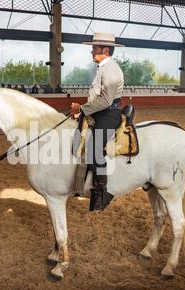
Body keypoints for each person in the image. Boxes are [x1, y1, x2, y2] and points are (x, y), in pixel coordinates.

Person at [70, 32, 124, 211]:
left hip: (109, 114)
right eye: (92, 48)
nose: (91, 51)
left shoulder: (111, 70)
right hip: (100, 112)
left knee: (93, 151)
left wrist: (83, 109)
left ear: (105, 50)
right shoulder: (103, 68)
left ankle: (102, 193)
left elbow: (106, 101)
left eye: (94, 48)